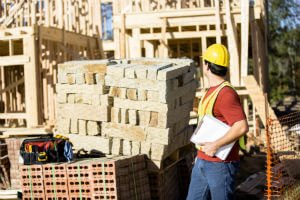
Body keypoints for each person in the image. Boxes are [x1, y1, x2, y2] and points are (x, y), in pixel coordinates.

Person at [186, 44, 249, 200]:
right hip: (203, 160)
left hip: (221, 164)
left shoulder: (226, 93)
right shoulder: (211, 91)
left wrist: (215, 145)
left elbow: (241, 126)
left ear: (206, 66)